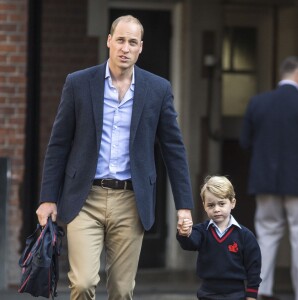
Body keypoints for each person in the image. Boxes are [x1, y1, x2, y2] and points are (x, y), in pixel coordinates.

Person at [36, 15, 194, 300]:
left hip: (131, 201)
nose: (125, 47)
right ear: (109, 41)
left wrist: (184, 206)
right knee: (83, 283)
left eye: (132, 42)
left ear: (141, 47)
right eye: (120, 40)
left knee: (122, 290)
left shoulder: (157, 89)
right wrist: (48, 198)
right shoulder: (79, 83)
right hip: (85, 198)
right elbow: (58, 144)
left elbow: (174, 150)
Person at [240, 56, 298, 300]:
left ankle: (262, 291)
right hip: (297, 182)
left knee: (266, 235)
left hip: (264, 181)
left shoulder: (258, 102)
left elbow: (245, 142)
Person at [177, 175, 262, 300]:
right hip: (207, 294)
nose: (216, 209)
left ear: (232, 203)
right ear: (204, 205)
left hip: (236, 295)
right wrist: (184, 233)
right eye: (211, 205)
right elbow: (190, 243)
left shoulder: (245, 236)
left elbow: (254, 267)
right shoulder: (201, 231)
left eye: (221, 204)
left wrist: (251, 295)